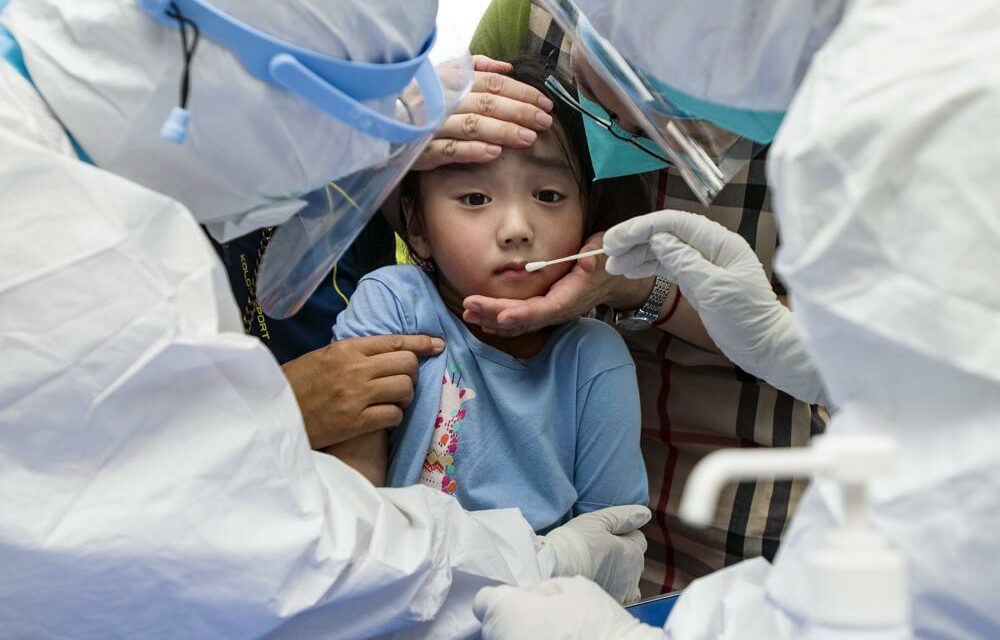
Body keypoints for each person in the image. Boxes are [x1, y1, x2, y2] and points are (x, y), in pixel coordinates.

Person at [0, 1, 651, 638]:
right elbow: (305, 561)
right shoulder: (65, 251)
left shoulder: (95, 158)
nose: (514, 228)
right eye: (349, 122)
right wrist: (546, 562)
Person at [472, 0, 1000, 638]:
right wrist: (798, 353)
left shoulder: (921, 120)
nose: (614, 128)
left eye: (638, 105)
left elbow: (937, 575)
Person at [466, 0, 826, 595]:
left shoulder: (854, 93)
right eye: (594, 87)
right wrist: (412, 138)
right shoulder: (529, 22)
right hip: (533, 527)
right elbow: (435, 200)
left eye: (675, 120)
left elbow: (870, 357)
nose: (622, 129)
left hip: (750, 510)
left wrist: (650, 290)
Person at [327, 60, 648, 563]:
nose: (517, 228)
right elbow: (352, 516)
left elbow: (614, 542)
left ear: (587, 212)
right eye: (475, 198)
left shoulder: (594, 358)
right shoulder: (393, 305)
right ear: (416, 225)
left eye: (548, 195)